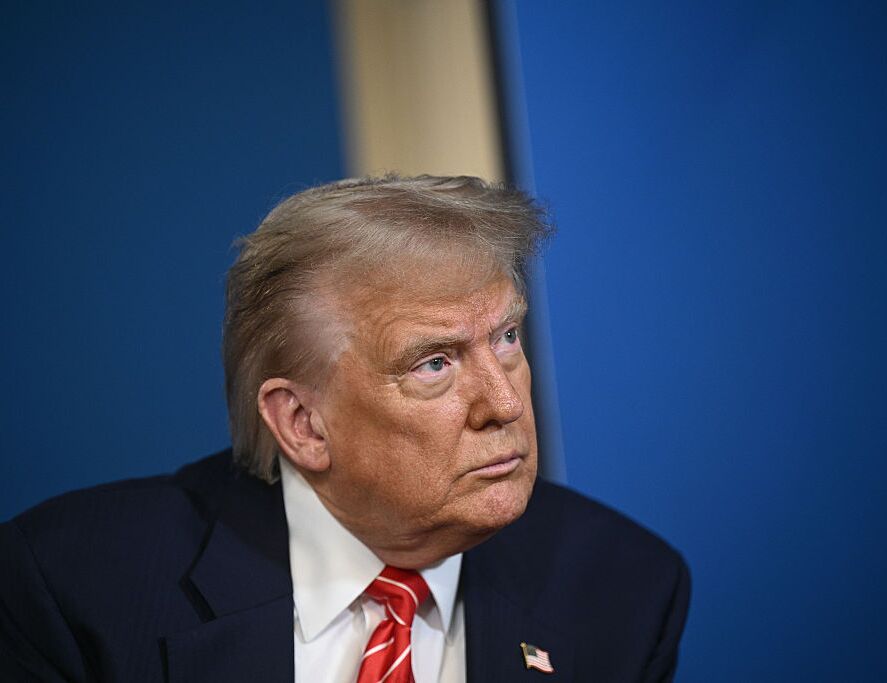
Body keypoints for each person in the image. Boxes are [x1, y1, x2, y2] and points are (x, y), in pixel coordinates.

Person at [0, 175, 690, 682]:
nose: (502, 402)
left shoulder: (624, 590)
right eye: (435, 362)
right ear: (302, 423)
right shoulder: (75, 587)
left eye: (506, 336)